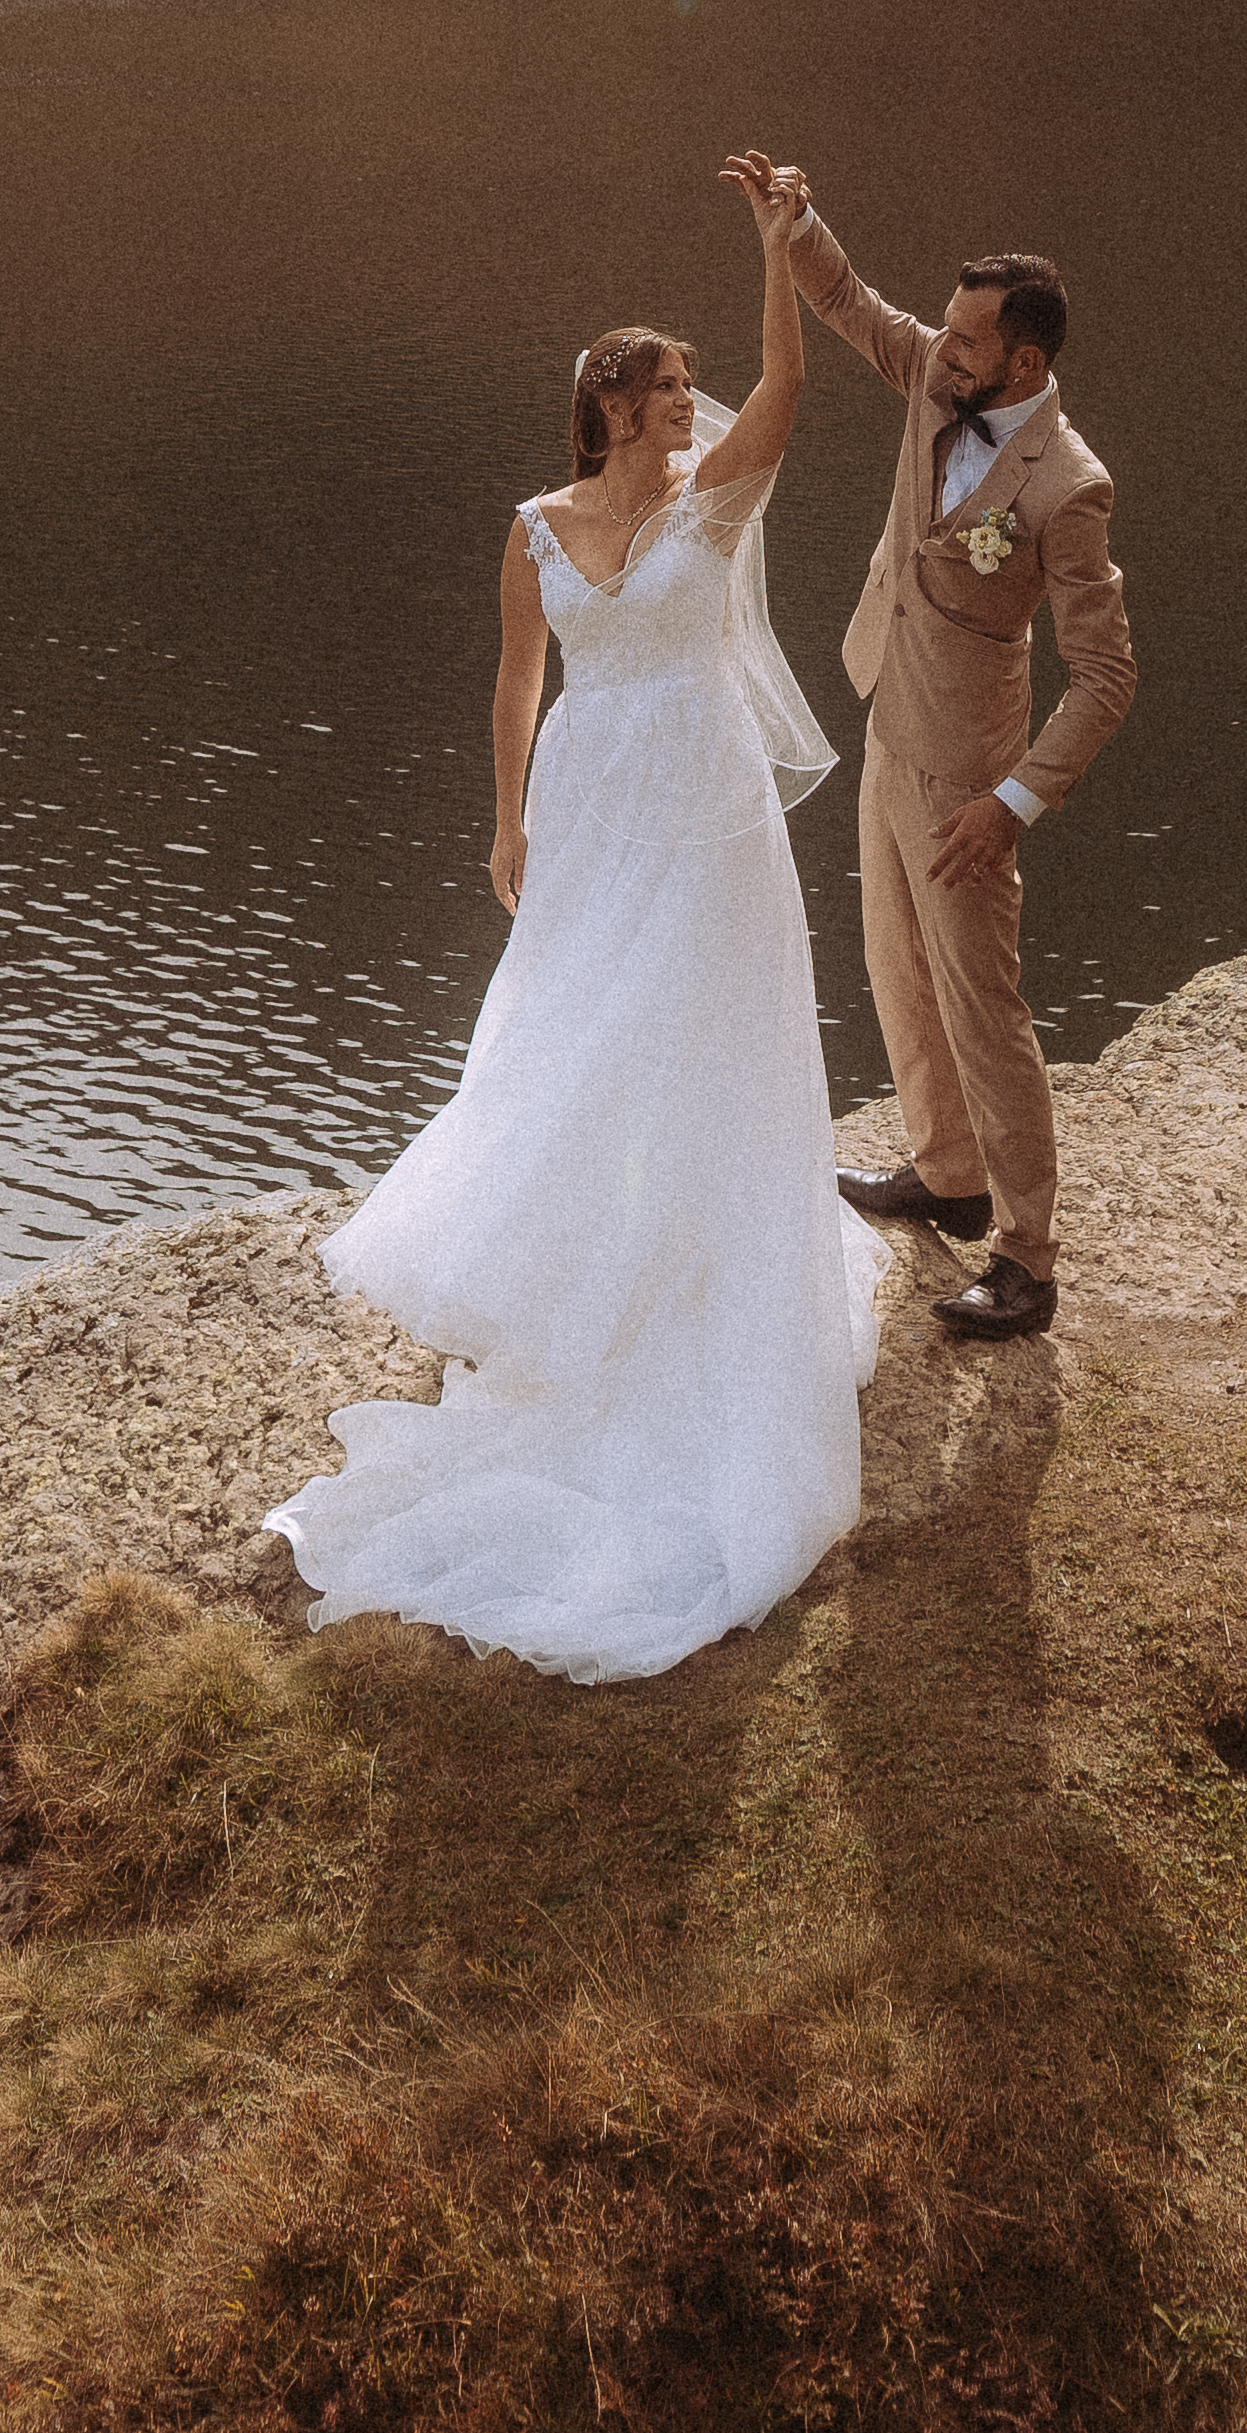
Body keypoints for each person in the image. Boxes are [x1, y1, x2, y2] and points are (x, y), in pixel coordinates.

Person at [264, 161, 883, 1683]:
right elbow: (515, 680)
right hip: (595, 797)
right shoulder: (536, 526)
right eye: (666, 389)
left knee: (706, 1022)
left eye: (689, 386)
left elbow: (794, 379)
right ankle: (584, 1264)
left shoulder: (715, 500)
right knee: (579, 1027)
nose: (689, 404)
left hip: (711, 797)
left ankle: (713, 1259)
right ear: (609, 407)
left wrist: (779, 243)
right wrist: (505, 818)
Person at [743, 166, 1135, 1344]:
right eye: (949, 327)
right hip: (887, 720)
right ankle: (945, 1170)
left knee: (984, 1007)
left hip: (970, 775)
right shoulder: (930, 376)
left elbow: (1108, 678)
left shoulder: (1068, 488)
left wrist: (1011, 804)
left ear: (1025, 361)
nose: (943, 347)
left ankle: (1028, 1256)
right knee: (893, 967)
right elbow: (853, 303)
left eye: (969, 338)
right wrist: (794, 226)